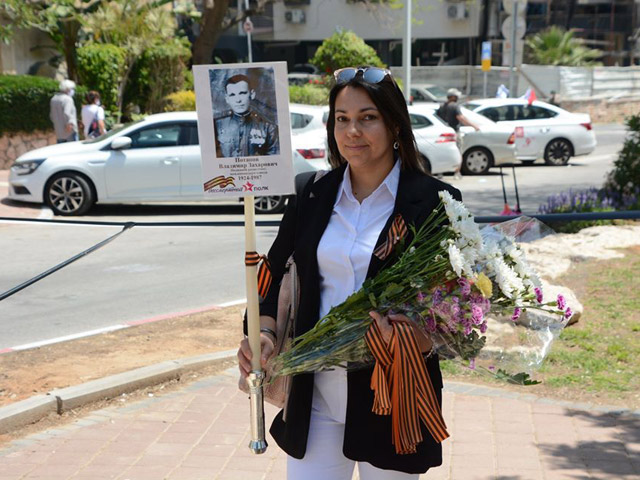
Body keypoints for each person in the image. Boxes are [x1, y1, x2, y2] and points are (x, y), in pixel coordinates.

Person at [237, 66, 462, 479]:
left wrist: (418, 336)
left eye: (367, 118)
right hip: (312, 394)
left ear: (394, 124)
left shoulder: (433, 201)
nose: (352, 131)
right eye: (342, 119)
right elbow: (268, 281)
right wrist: (262, 334)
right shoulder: (311, 192)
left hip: (392, 396)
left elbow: (451, 304)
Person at [214, 74, 279, 157]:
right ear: (227, 98)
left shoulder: (269, 127)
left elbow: (274, 161)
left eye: (242, 93)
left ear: (252, 94)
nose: (238, 100)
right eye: (232, 95)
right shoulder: (217, 124)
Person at [50, 79, 78, 143]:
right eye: (72, 88)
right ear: (68, 89)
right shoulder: (68, 99)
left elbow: (52, 115)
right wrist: (70, 123)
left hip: (59, 133)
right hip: (69, 133)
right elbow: (67, 113)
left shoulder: (54, 98)